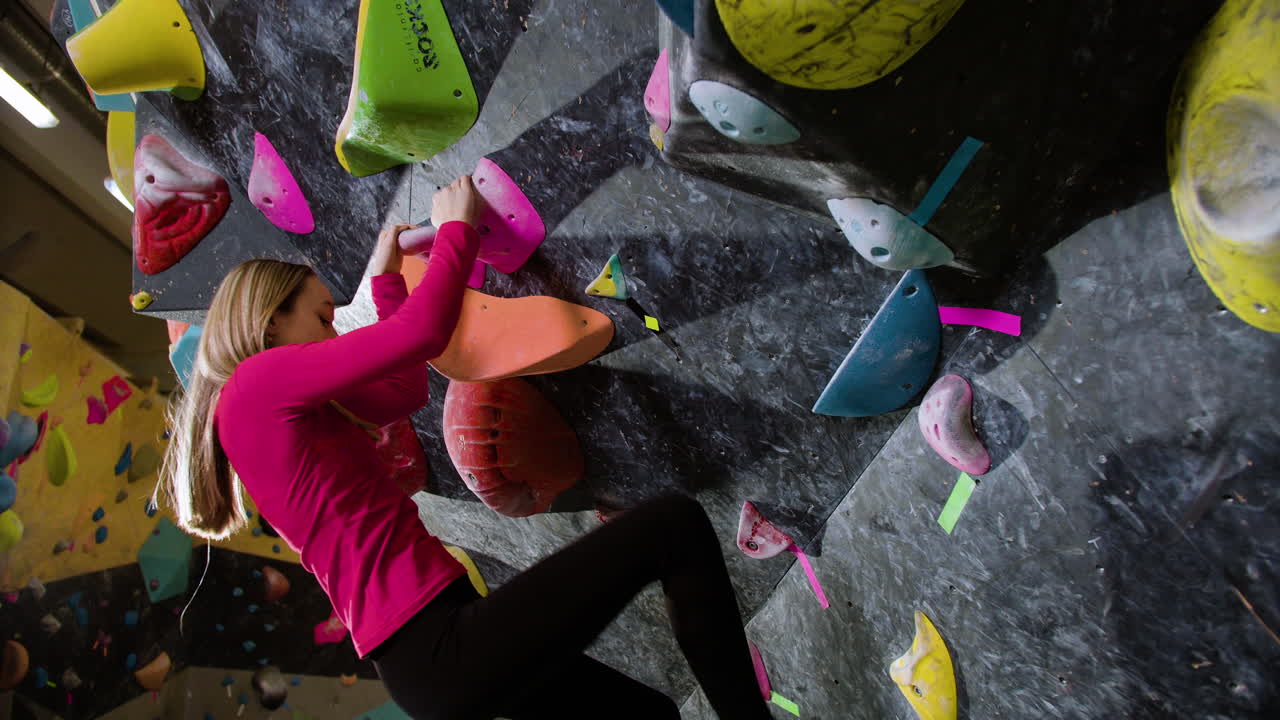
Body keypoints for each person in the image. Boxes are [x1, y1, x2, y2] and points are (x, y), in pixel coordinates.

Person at [155, 176, 771, 720]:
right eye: (321, 318)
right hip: (434, 644)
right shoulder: (256, 385)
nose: (329, 330)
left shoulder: (275, 413)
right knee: (674, 526)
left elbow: (402, 390)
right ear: (269, 326)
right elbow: (421, 332)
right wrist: (457, 231)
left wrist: (388, 280)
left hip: (430, 656)